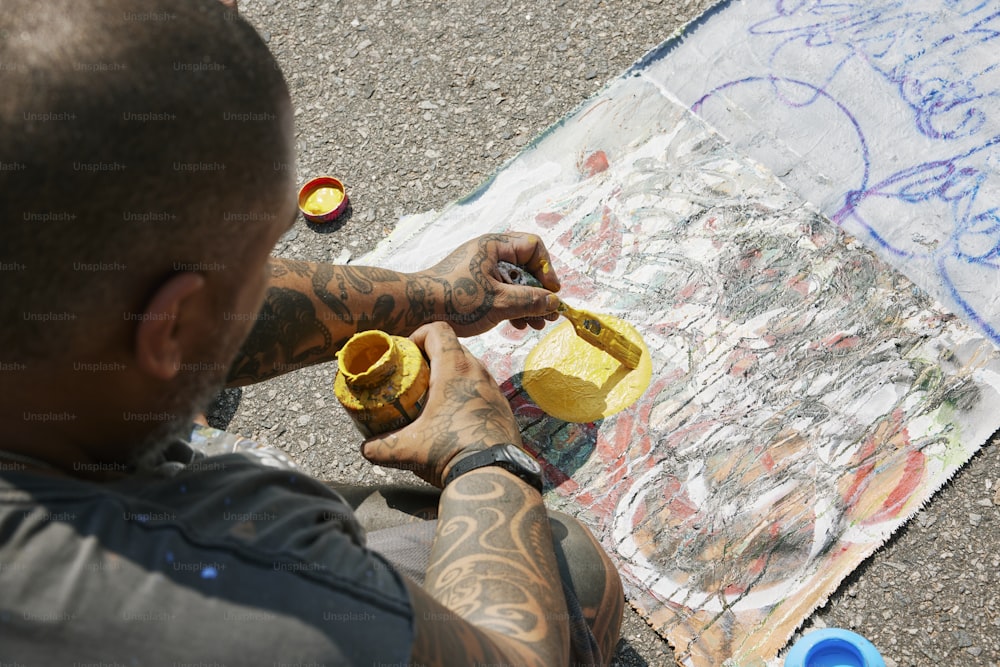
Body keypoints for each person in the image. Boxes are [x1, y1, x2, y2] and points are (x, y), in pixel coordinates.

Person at [0, 1, 625, 665]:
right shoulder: (227, 582)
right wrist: (484, 457)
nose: (269, 268)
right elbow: (518, 659)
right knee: (570, 572)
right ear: (170, 327)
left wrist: (430, 296)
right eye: (263, 248)